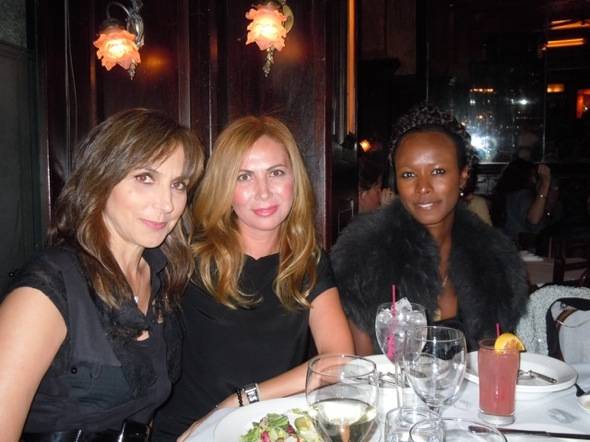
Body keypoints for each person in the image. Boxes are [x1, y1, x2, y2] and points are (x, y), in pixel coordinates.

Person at [0, 108, 204, 441]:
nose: (167, 204)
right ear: (101, 179)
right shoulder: (46, 292)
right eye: (145, 178)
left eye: (178, 184)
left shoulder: (160, 278)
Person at [152, 116, 354, 441]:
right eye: (244, 176)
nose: (263, 192)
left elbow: (338, 361)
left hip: (266, 431)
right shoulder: (187, 255)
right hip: (192, 432)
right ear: (224, 186)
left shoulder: (307, 260)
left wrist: (241, 400)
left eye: (276, 173)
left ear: (295, 179)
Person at [330, 105, 529, 352]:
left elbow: (497, 354)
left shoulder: (497, 262)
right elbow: (361, 366)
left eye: (438, 171)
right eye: (408, 175)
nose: (423, 187)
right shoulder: (362, 258)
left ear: (463, 175)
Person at [490, 158, 554, 242]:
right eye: (534, 176)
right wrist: (545, 185)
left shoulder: (502, 195)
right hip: (519, 246)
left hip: (502, 243)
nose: (535, 180)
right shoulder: (523, 196)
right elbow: (534, 223)